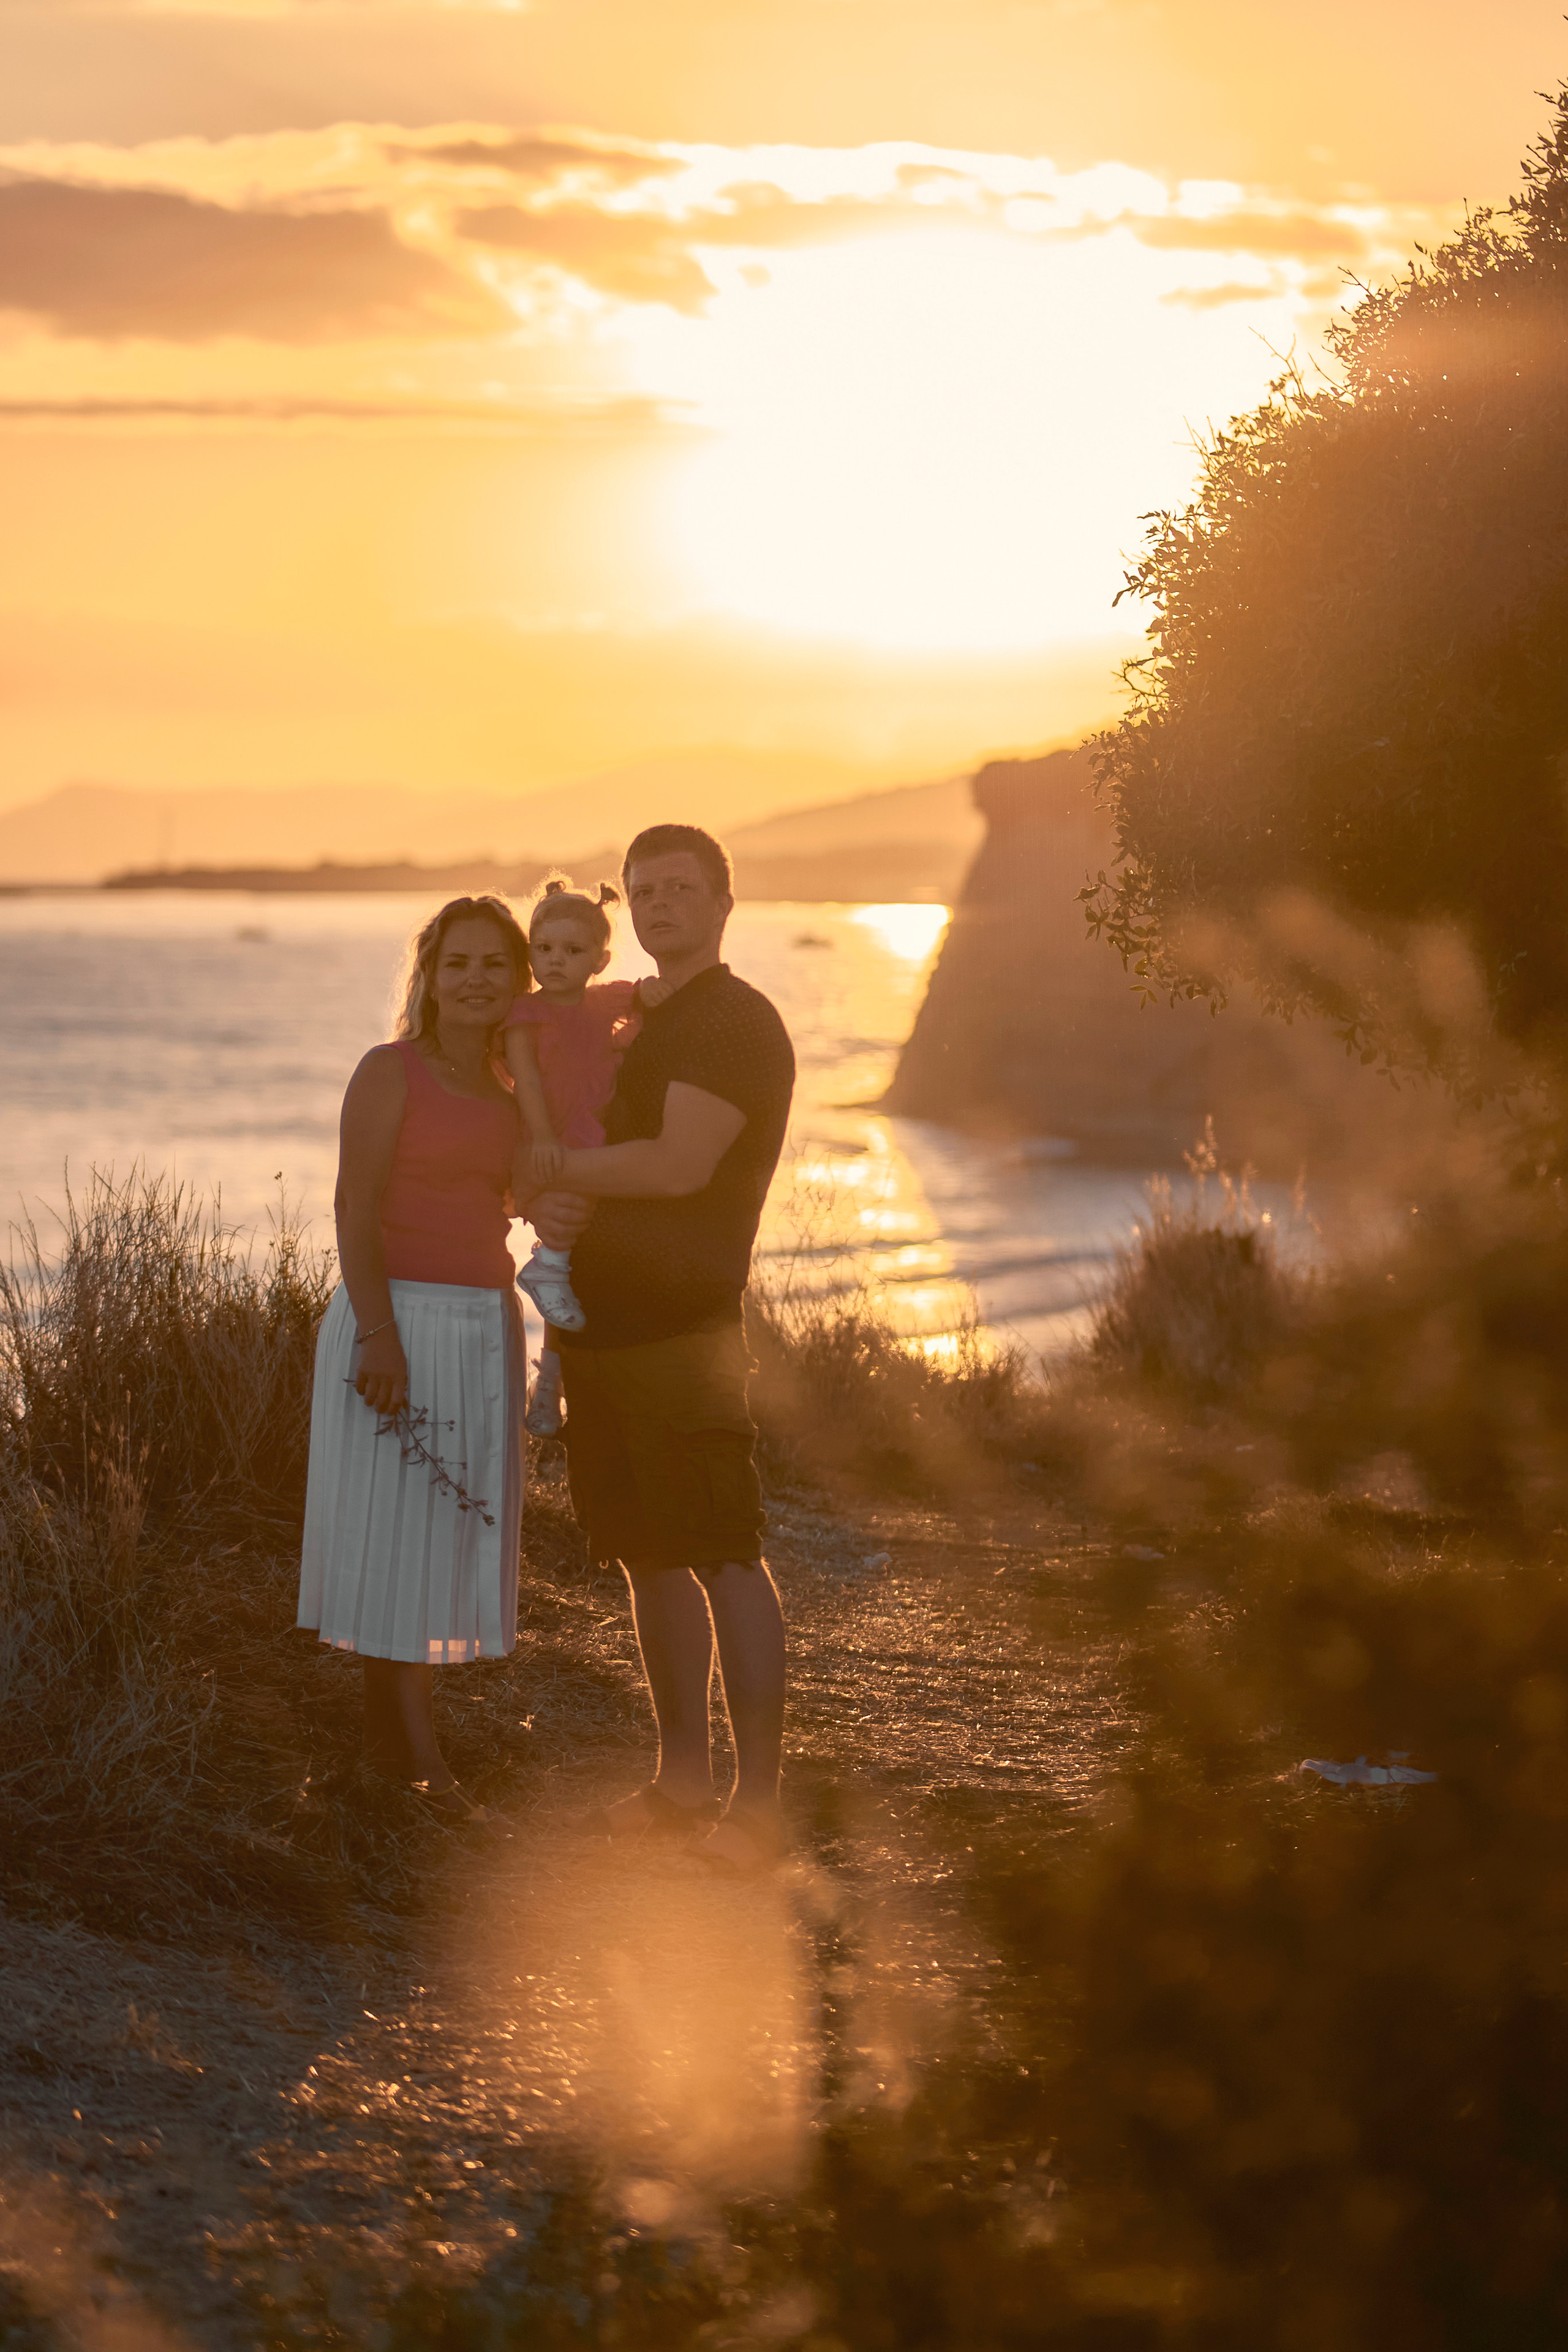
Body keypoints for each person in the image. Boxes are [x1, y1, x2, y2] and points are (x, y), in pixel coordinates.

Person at [525, 823, 796, 1874]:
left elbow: (682, 1165)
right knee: (648, 1559)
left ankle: (759, 1808)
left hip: (687, 1332)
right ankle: (682, 1781)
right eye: (645, 890)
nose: (661, 904)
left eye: (683, 887)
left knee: (727, 1552)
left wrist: (558, 1173)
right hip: (601, 1330)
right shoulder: (632, 1016)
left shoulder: (733, 1022)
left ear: (725, 903)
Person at [296, 894, 528, 1825]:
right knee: (396, 1536)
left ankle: (391, 1753)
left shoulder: (519, 1089)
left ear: (519, 979)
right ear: (428, 977)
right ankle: (419, 1763)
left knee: (442, 1539)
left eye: (494, 965)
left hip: (484, 1325)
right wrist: (378, 1333)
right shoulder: (389, 1071)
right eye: (457, 963)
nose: (475, 980)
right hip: (395, 1322)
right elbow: (355, 1207)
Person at [502, 876, 669, 1430]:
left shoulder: (602, 1003)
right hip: (549, 1133)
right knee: (566, 1232)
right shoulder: (526, 1013)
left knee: (573, 1274)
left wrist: (658, 995)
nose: (556, 962)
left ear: (598, 960)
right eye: (544, 950)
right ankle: (546, 1268)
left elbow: (645, 993)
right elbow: (524, 1079)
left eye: (573, 952)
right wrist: (544, 1136)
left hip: (589, 1131)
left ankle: (548, 1383)